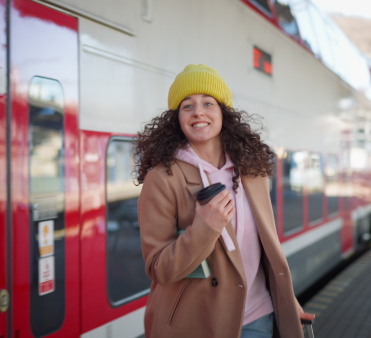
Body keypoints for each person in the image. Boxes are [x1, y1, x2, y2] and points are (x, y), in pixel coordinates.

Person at [135, 64, 315, 338]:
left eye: (208, 103)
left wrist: (288, 301)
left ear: (223, 113)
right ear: (177, 119)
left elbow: (264, 248)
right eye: (187, 105)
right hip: (198, 323)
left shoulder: (252, 170)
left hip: (256, 316)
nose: (198, 112)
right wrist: (205, 227)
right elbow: (159, 268)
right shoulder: (162, 178)